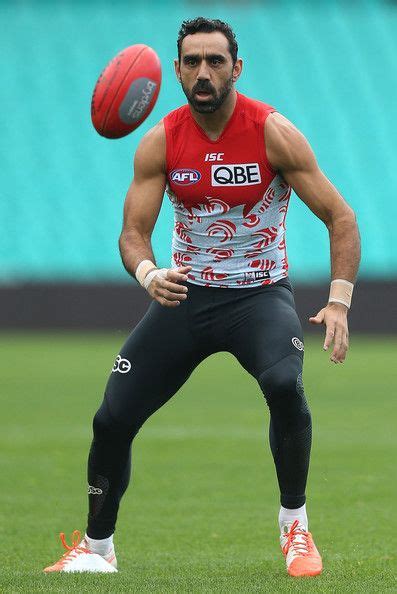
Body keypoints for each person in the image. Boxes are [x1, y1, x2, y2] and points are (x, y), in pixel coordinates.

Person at [44, 17, 360, 577]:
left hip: (259, 296)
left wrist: (338, 301)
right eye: (193, 61)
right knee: (111, 419)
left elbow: (340, 217)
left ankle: (295, 527)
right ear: (176, 71)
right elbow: (132, 232)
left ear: (236, 68)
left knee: (285, 383)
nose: (204, 72)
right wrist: (147, 274)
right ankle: (96, 551)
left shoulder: (272, 132)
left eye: (216, 61)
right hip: (186, 300)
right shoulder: (161, 140)